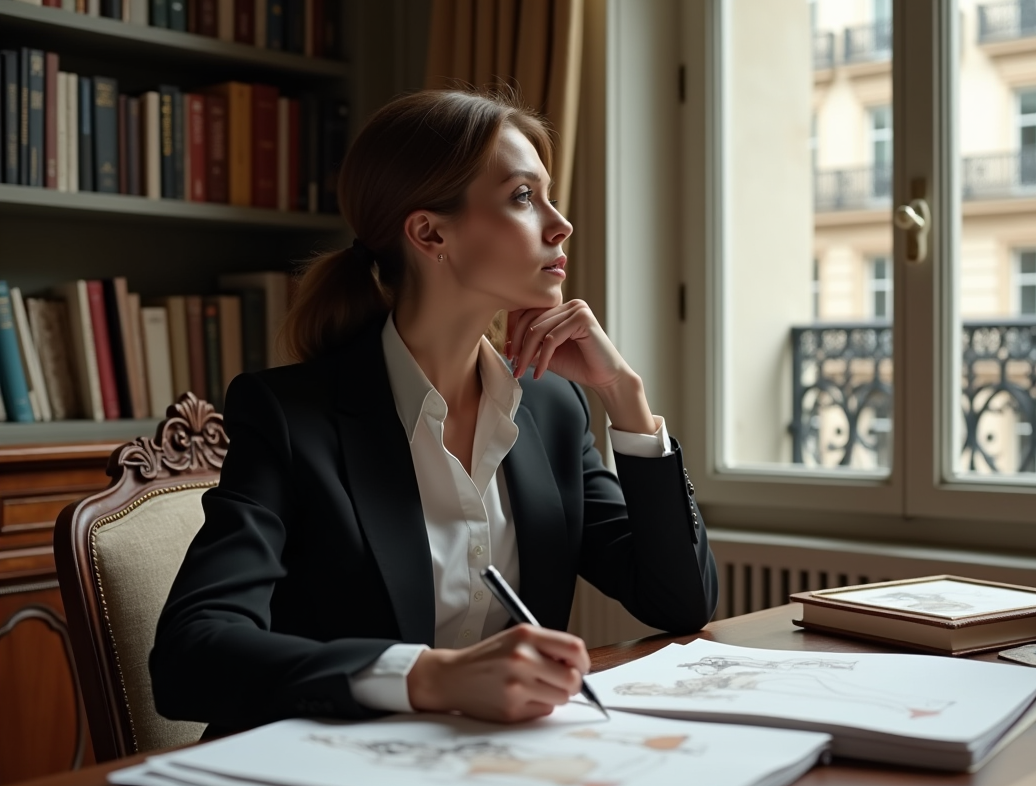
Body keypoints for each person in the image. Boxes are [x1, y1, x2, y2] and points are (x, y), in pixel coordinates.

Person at [149, 88, 718, 736]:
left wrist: (627, 398)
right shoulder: (290, 417)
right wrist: (429, 676)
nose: (559, 224)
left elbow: (680, 601)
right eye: (524, 197)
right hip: (328, 768)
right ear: (429, 233)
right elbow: (189, 657)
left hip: (493, 764)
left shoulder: (553, 411)